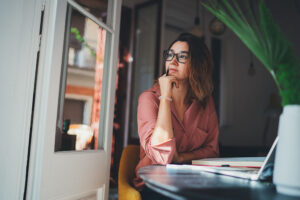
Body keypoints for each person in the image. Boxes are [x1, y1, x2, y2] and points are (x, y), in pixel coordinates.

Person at [133, 33, 219, 197]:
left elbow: (212, 151)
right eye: (170, 55)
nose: (172, 61)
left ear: (197, 64)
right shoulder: (149, 99)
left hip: (192, 181)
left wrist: (181, 158)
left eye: (182, 57)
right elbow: (162, 156)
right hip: (154, 185)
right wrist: (165, 96)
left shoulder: (206, 103)